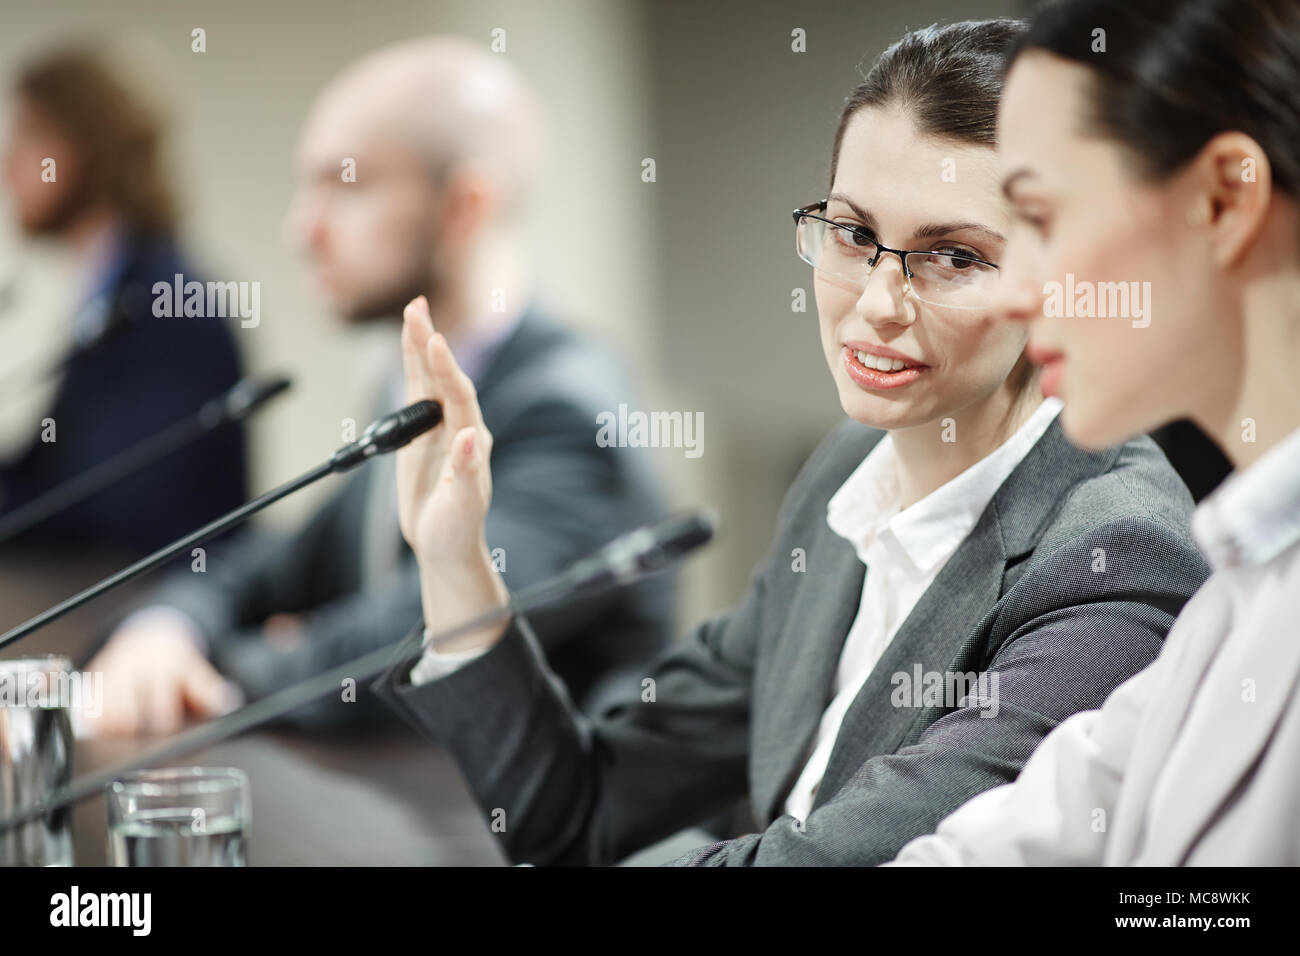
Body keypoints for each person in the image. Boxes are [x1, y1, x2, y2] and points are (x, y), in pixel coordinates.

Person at [374, 20, 1212, 866]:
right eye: (853, 234)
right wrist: (454, 565)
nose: (880, 302)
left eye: (952, 255)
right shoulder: (849, 474)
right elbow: (575, 809)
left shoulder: (1116, 557)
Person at [85, 36, 673, 735]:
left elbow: (426, 637)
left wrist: (205, 677)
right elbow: (282, 562)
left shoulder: (568, 411)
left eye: (348, 184)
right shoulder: (412, 386)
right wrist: (169, 628)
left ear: (466, 207)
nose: (303, 229)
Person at [890, 0, 1300, 866]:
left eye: (1040, 217)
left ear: (1225, 199)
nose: (1011, 290)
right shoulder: (1242, 585)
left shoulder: (1164, 551)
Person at [0, 45, 247, 553]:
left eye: (26, 135)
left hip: (160, 611)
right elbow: (50, 474)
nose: (7, 163)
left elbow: (112, 502)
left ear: (79, 147)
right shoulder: (108, 287)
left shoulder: (171, 300)